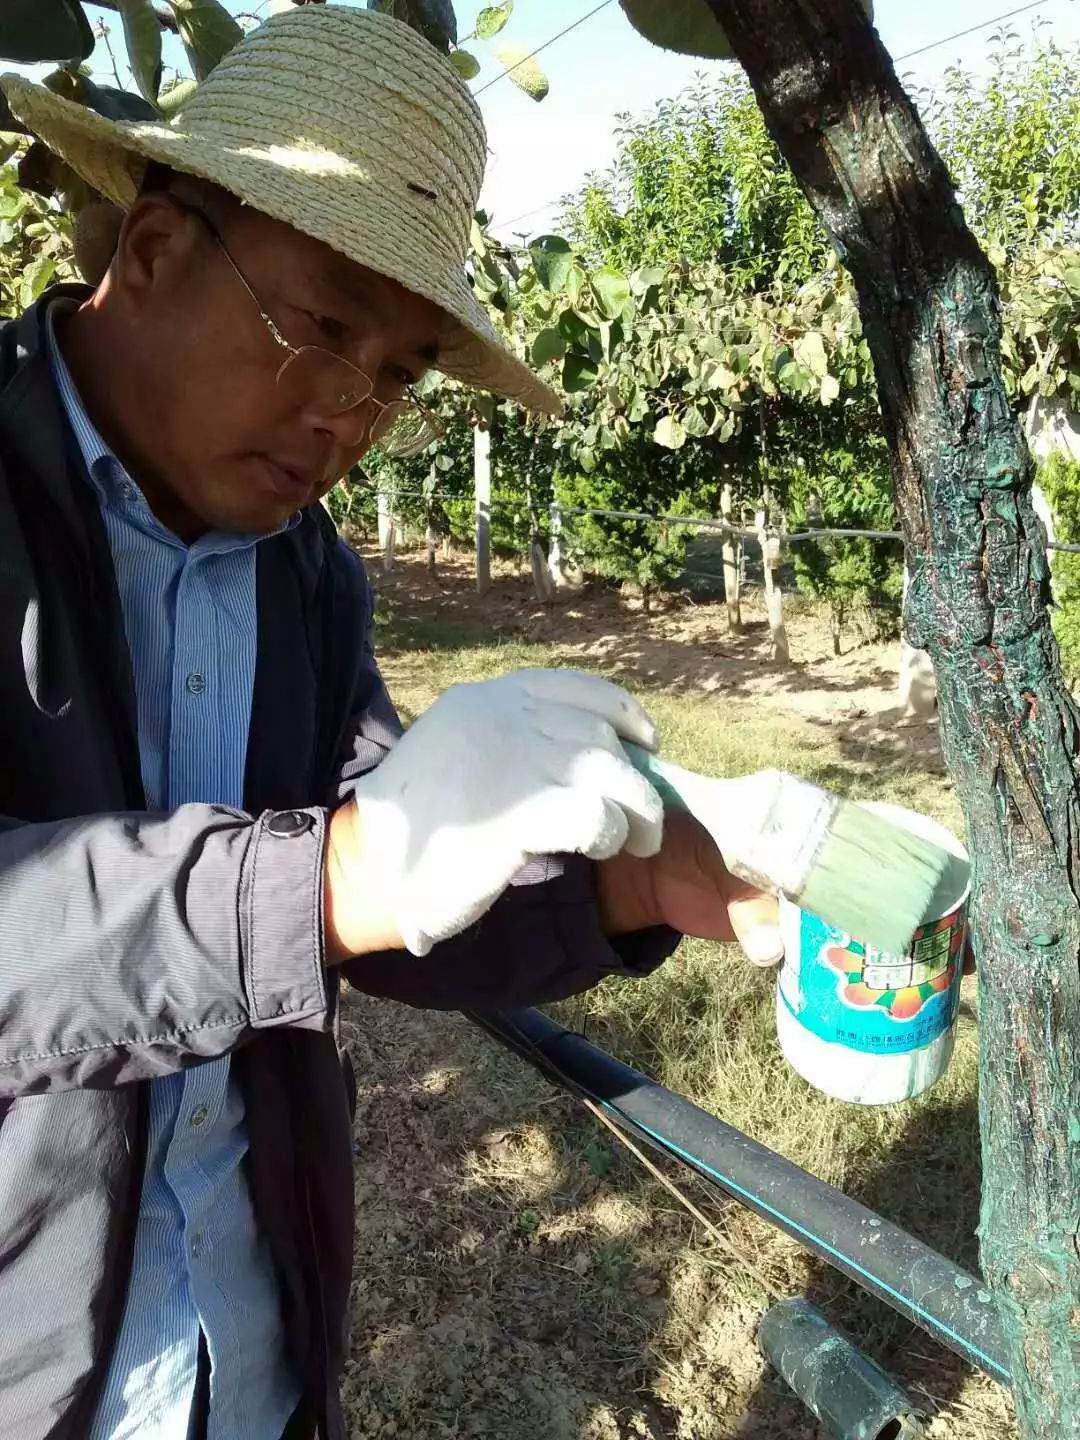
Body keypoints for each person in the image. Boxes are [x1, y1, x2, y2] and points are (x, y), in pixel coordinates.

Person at [0, 9, 781, 1439]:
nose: (353, 410)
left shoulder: (305, 576)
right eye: (322, 325)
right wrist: (335, 872)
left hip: (248, 1346)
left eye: (402, 370)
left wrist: (636, 883)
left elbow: (389, 885)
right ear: (157, 252)